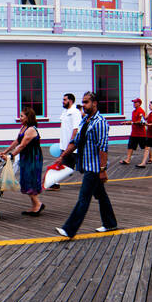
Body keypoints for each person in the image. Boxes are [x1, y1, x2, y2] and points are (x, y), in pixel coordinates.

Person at [53, 91, 116, 239]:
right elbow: (75, 142)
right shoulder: (85, 121)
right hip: (87, 165)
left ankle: (69, 229)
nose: (84, 105)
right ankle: (110, 223)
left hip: (94, 168)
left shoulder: (100, 122)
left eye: (86, 102)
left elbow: (103, 148)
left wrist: (102, 170)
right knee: (101, 196)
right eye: (83, 102)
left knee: (84, 198)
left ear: (94, 103)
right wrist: (62, 156)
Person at [1, 107, 44, 215]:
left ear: (28, 117)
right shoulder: (23, 127)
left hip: (33, 157)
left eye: (22, 116)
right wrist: (5, 151)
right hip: (26, 156)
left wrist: (10, 156)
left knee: (30, 180)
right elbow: (17, 141)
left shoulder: (31, 129)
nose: (20, 118)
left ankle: (38, 204)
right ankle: (35, 206)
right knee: (25, 179)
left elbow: (22, 145)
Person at [123, 96, 146, 165]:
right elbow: (133, 121)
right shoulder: (133, 112)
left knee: (145, 147)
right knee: (130, 145)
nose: (134, 104)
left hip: (141, 133)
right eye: (134, 102)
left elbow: (141, 121)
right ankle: (128, 159)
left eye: (135, 102)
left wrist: (132, 123)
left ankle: (151, 158)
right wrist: (127, 122)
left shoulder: (141, 111)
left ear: (139, 103)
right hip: (134, 132)